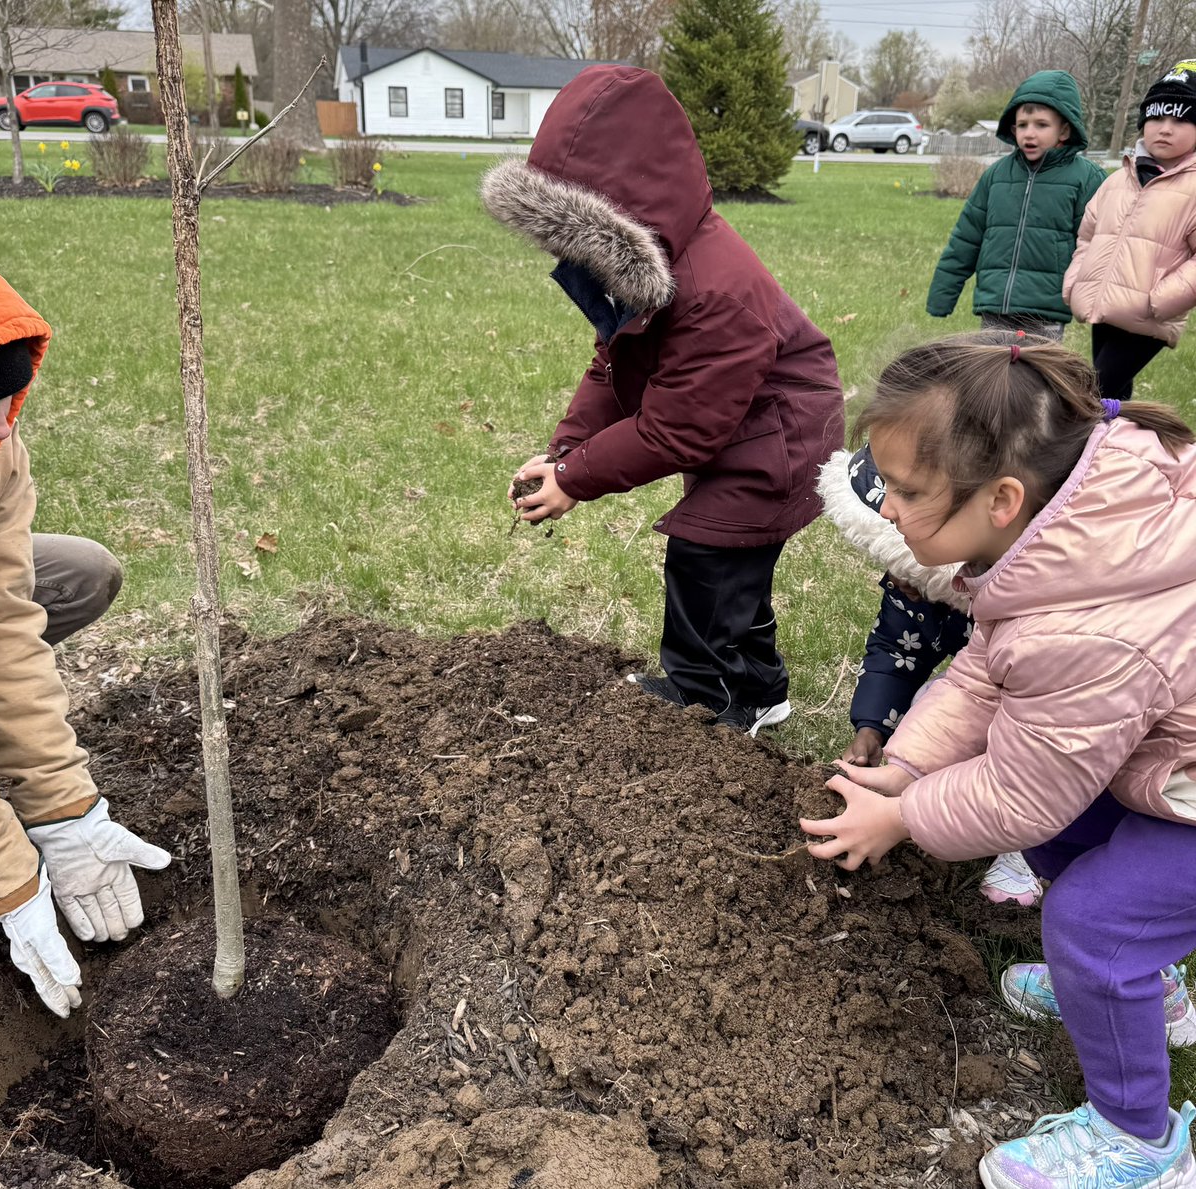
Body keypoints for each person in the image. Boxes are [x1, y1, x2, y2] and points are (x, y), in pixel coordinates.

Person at [802, 331, 1196, 1188]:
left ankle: (1141, 1141)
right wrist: (906, 766)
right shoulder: (1065, 543)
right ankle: (1149, 991)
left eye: (908, 492)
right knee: (1077, 838)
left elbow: (1021, 796)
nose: (890, 510)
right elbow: (983, 673)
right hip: (1172, 757)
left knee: (1092, 924)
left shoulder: (1088, 630)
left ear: (1004, 497)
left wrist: (902, 816)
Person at [481, 65, 845, 733]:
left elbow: (678, 430)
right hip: (745, 426)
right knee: (733, 565)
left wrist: (574, 480)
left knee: (707, 557)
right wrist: (566, 450)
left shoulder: (715, 291)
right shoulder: (650, 273)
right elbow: (611, 368)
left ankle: (707, 701)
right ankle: (763, 689)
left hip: (784, 437)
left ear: (625, 215)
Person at [0, 271, 170, 1019]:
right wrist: (12, 874)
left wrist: (62, 809)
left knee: (75, 573)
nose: (4, 429)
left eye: (9, 406)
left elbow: (5, 619)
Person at [816, 443, 1043, 907]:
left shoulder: (1026, 613)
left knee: (1014, 738)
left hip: (1054, 733)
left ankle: (1030, 855)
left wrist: (905, 815)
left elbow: (1042, 739)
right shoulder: (913, 590)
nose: (900, 583)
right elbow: (895, 651)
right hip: (980, 692)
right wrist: (871, 728)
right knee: (929, 700)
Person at [927, 70, 1105, 342]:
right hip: (996, 305)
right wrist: (943, 293)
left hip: (1046, 308)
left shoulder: (1086, 178)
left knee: (1036, 378)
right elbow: (967, 236)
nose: (1029, 134)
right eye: (1022, 125)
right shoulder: (997, 175)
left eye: (1041, 125)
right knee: (994, 376)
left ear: (1065, 130)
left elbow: (1097, 243)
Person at [1064, 59, 1196, 401]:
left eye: (1181, 119)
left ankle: (1078, 452)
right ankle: (1115, 450)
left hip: (1146, 318)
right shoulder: (1119, 179)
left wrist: (1161, 299)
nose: (1164, 128)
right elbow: (1088, 235)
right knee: (1112, 401)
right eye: (1156, 117)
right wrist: (1077, 280)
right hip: (1104, 307)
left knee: (1089, 396)